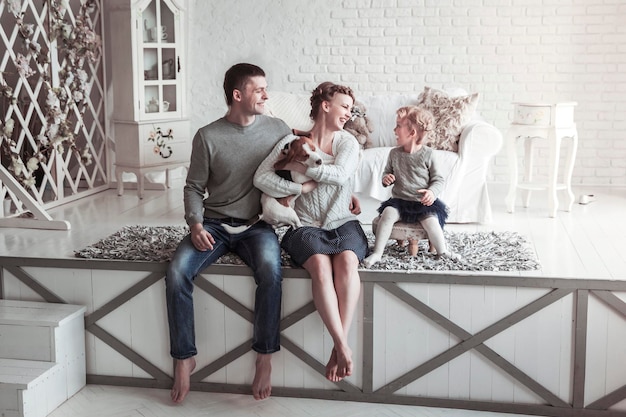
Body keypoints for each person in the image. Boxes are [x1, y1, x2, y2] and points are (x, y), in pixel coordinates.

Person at [165, 63, 291, 403]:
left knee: (271, 271)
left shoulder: (279, 129)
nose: (266, 94)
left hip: (257, 225)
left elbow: (301, 165)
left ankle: (264, 357)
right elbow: (193, 188)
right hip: (215, 224)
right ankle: (184, 357)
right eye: (258, 89)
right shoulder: (208, 136)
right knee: (177, 272)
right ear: (238, 95)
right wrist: (195, 224)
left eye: (266, 88)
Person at [254, 82, 368, 382]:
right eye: (344, 106)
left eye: (350, 108)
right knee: (319, 265)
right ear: (325, 105)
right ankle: (343, 346)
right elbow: (261, 178)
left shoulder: (347, 143)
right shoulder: (289, 141)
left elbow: (340, 174)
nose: (349, 113)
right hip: (303, 224)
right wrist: (299, 186)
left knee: (346, 262)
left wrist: (301, 166)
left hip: (342, 221)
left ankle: (338, 347)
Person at [363, 105, 458, 268]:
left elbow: (438, 179)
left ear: (412, 133)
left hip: (421, 202)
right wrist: (387, 178)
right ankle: (377, 253)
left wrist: (431, 192)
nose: (394, 129)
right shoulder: (394, 153)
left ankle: (443, 252)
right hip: (400, 201)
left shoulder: (428, 154)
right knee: (387, 214)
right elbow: (386, 173)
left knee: (432, 222)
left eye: (398, 126)